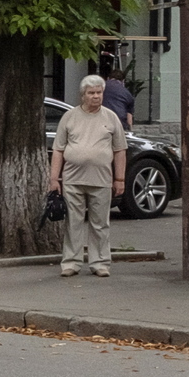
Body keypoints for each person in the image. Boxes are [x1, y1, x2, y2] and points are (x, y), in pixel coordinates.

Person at [50, 73, 129, 278]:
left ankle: (100, 262)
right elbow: (58, 149)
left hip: (101, 180)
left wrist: (120, 179)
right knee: (73, 223)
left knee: (100, 224)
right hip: (72, 180)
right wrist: (54, 179)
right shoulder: (70, 117)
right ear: (82, 95)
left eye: (99, 92)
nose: (96, 96)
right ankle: (71, 262)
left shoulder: (111, 117)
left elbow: (120, 150)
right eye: (91, 93)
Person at [98, 53, 134, 131]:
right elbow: (129, 118)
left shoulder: (100, 87)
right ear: (123, 81)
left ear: (108, 78)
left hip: (102, 121)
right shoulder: (127, 93)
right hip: (119, 123)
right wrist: (130, 131)